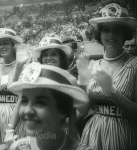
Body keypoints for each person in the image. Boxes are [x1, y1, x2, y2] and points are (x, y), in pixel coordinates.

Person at [78, 3, 137, 150]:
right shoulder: (93, 65)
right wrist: (82, 82)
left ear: (125, 34)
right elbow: (83, 109)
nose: (111, 35)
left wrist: (113, 93)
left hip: (122, 136)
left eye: (117, 30)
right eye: (106, 30)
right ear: (99, 34)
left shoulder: (135, 65)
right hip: (93, 134)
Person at [8, 63, 91, 150]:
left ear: (63, 109)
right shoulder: (18, 147)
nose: (27, 111)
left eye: (40, 103)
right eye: (24, 101)